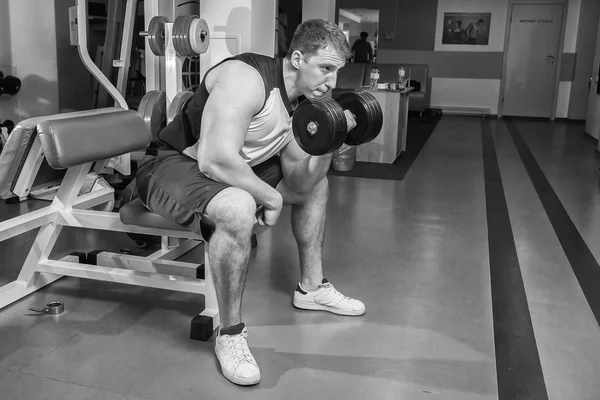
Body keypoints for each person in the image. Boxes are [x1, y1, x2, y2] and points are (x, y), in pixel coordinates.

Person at [135, 19, 365, 386]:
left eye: (338, 72)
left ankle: (311, 287)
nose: (332, 83)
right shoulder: (247, 78)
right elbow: (214, 158)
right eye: (325, 69)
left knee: (315, 187)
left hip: (227, 172)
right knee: (238, 206)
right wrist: (269, 197)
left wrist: (332, 141)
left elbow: (300, 180)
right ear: (297, 58)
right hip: (175, 164)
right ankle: (229, 335)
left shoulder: (303, 107)